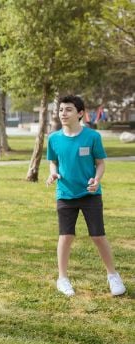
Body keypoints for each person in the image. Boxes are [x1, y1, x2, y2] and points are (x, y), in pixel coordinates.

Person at [46, 95, 126, 297]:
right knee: (66, 236)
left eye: (69, 109)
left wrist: (97, 180)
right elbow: (53, 161)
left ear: (80, 113)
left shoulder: (92, 137)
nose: (63, 113)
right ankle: (62, 279)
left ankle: (113, 276)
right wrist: (53, 172)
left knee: (98, 236)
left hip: (90, 194)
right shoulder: (54, 138)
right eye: (61, 109)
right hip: (65, 194)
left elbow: (100, 163)